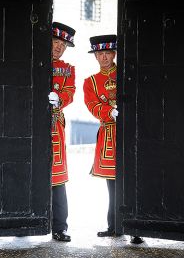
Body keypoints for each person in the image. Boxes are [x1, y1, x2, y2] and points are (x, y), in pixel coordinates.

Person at [83, 34, 143, 244]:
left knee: (134, 182)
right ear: (95, 56)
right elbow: (92, 105)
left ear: (115, 54)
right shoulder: (90, 82)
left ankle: (136, 228)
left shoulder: (126, 74)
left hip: (130, 133)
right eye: (100, 54)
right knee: (113, 185)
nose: (104, 57)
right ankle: (115, 226)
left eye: (108, 53)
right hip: (109, 135)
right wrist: (109, 111)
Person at [48, 22, 76, 242]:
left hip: (54, 126)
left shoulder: (67, 69)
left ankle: (60, 226)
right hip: (29, 125)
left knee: (57, 177)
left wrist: (60, 99)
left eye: (63, 45)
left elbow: (69, 91)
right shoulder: (32, 61)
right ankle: (24, 222)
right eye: (55, 42)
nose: (59, 47)